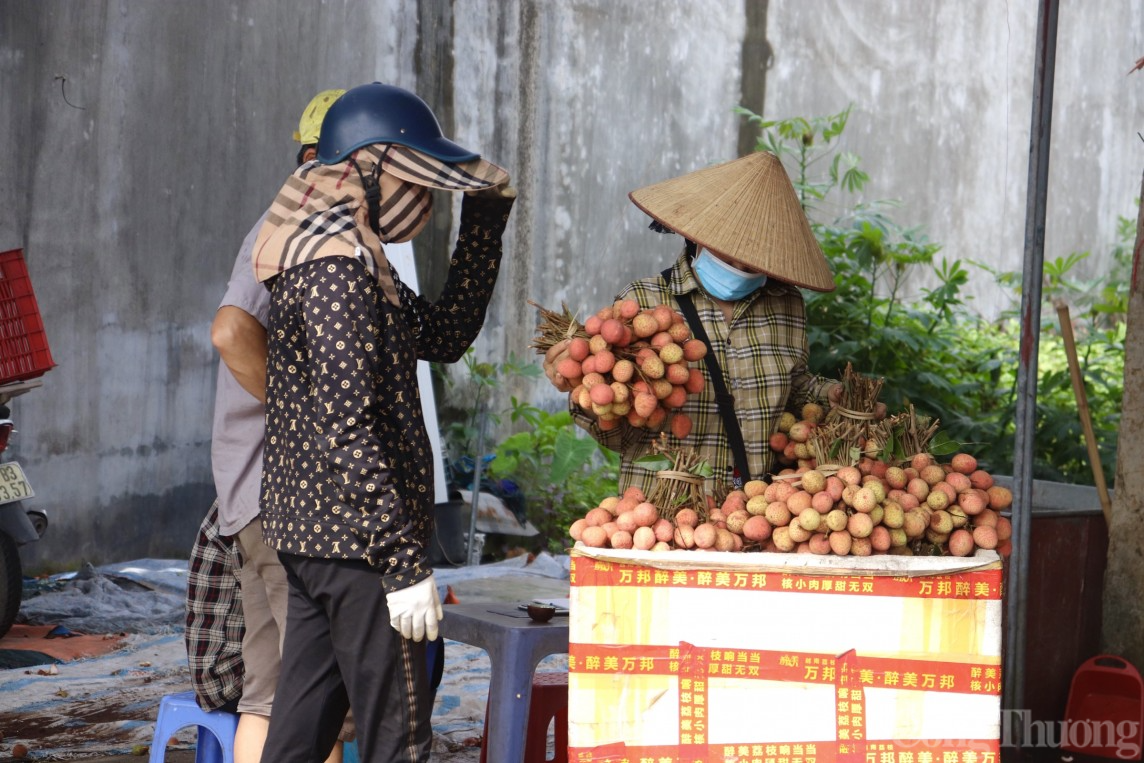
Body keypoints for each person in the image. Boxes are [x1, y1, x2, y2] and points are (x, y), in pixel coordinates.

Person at [251, 82, 516, 763]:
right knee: (398, 737)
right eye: (415, 178)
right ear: (369, 168)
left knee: (299, 734)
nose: (423, 200)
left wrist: (484, 220)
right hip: (361, 548)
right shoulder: (338, 266)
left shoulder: (356, 258)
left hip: (319, 541)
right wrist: (402, 566)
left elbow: (448, 332)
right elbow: (347, 425)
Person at [544, 151, 876, 497]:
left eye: (752, 262)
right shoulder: (641, 304)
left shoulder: (785, 304)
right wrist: (585, 389)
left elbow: (794, 388)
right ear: (699, 237)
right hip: (665, 515)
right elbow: (620, 435)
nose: (741, 266)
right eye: (730, 254)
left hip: (752, 513)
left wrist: (833, 396)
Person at [204, 89, 354, 763]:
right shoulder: (295, 234)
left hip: (256, 500)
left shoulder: (294, 230)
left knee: (271, 696)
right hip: (285, 504)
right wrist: (306, 424)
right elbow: (231, 331)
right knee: (320, 698)